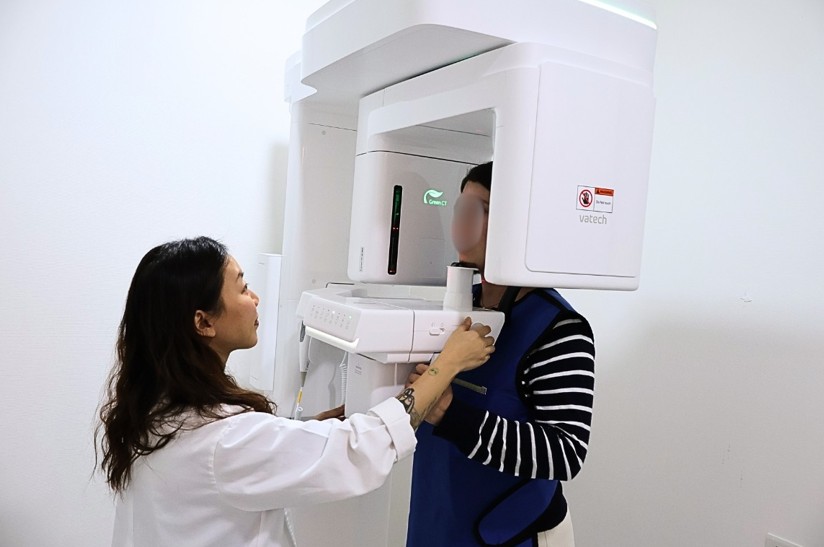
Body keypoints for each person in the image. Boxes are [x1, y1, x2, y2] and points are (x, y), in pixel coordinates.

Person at [96, 236, 496, 547]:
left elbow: (248, 454)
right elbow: (359, 450)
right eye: (243, 289)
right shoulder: (224, 441)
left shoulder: (153, 410)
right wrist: (447, 364)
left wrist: (309, 428)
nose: (255, 299)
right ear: (203, 322)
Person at [406, 162, 596, 547]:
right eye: (460, 207)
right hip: (438, 520)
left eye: (479, 210)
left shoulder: (559, 329)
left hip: (509, 532)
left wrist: (450, 415)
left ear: (518, 224)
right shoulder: (456, 309)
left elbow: (566, 452)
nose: (462, 221)